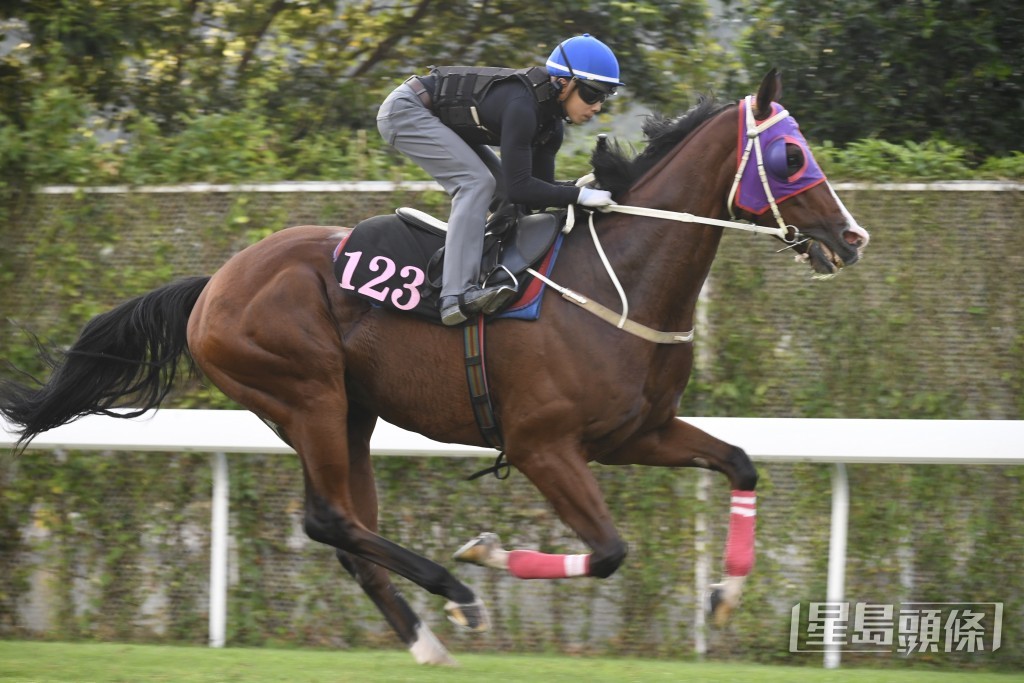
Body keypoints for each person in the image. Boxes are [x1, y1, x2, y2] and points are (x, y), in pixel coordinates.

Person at [376, 34, 621, 325]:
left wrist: (581, 188)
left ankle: (488, 272)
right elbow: (523, 188)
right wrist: (579, 196)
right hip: (406, 110)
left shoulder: (551, 127)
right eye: (592, 94)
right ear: (563, 82)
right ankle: (455, 295)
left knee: (504, 193)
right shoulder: (523, 107)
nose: (597, 107)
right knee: (476, 182)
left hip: (442, 119)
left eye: (604, 97)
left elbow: (532, 198)